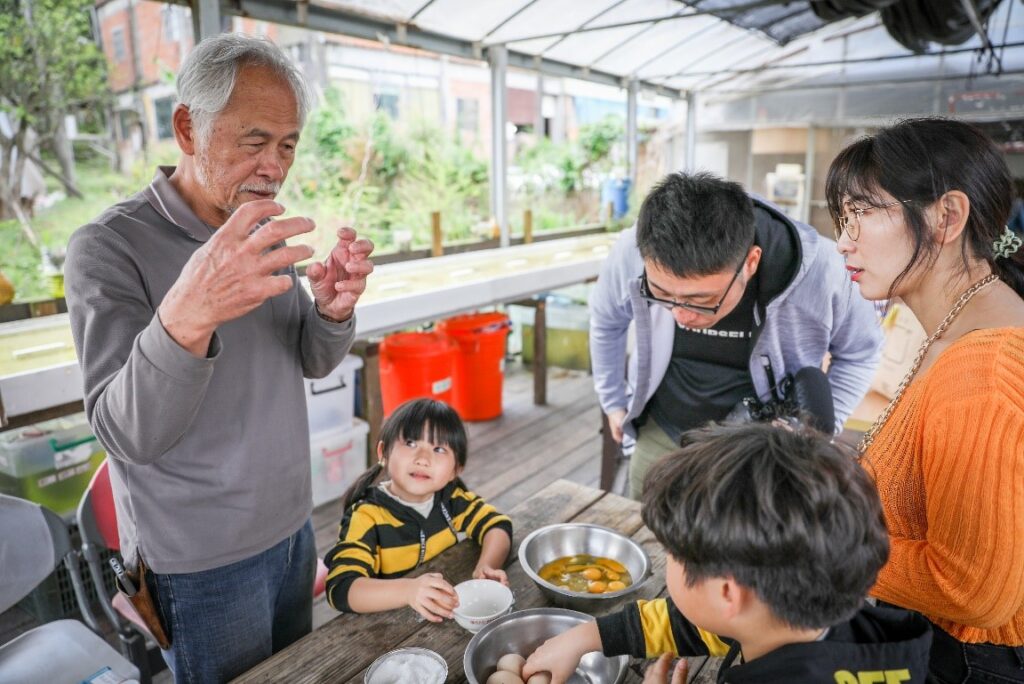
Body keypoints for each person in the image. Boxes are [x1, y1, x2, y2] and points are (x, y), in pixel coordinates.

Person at [63, 34, 374, 683]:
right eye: (254, 141)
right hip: (199, 563)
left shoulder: (259, 229)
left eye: (287, 144)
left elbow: (311, 362)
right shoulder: (107, 248)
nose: (274, 166)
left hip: (293, 528)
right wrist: (190, 311)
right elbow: (125, 433)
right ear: (186, 126)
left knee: (300, 672)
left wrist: (332, 312)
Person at [827, 117, 1024, 682]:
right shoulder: (958, 324)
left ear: (948, 217)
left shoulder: (981, 370)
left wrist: (820, 548)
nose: (844, 238)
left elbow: (972, 590)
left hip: (969, 663)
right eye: (843, 218)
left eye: (863, 212)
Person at [522, 423, 932, 684]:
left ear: (727, 593)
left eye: (673, 556)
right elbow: (699, 625)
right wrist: (586, 637)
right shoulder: (813, 620)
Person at [590, 172, 882, 499]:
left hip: (764, 448)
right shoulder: (634, 251)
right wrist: (614, 402)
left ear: (751, 262)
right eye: (660, 293)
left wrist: (811, 440)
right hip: (662, 428)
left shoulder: (824, 271)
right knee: (645, 530)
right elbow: (606, 320)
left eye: (701, 300)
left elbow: (861, 353)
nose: (680, 314)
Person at [324, 398, 513, 621]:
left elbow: (497, 524)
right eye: (411, 443)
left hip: (442, 616)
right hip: (385, 628)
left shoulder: (451, 499)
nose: (423, 459)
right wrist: (408, 591)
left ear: (456, 469)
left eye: (439, 448)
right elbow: (341, 587)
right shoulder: (366, 516)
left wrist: (486, 567)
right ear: (383, 452)